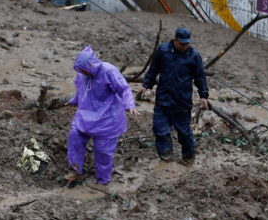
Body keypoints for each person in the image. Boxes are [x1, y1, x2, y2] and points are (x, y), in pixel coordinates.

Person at [64, 46, 138, 185]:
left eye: (85, 69)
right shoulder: (82, 74)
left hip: (107, 119)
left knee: (103, 152)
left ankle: (103, 181)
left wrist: (129, 105)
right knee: (75, 138)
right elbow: (82, 91)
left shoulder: (108, 70)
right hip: (85, 117)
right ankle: (74, 172)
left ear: (91, 65)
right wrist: (73, 101)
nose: (84, 72)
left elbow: (124, 89)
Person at [137, 28, 209, 165]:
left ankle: (188, 157)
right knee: (159, 128)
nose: (185, 46)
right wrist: (146, 85)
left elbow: (200, 77)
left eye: (187, 43)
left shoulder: (194, 56)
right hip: (163, 99)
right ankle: (166, 153)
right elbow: (153, 70)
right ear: (175, 40)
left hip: (182, 102)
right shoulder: (163, 51)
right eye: (182, 44)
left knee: (184, 132)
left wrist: (203, 96)